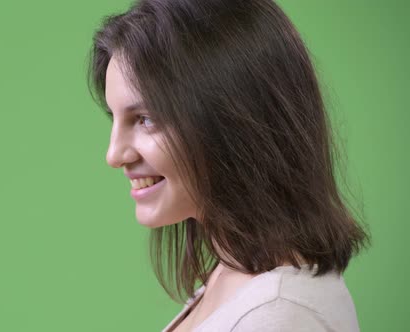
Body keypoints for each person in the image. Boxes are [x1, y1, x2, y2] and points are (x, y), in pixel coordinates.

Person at [86, 0, 371, 331]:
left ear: (232, 122)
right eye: (115, 117)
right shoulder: (236, 275)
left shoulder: (278, 316)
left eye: (145, 118)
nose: (115, 154)